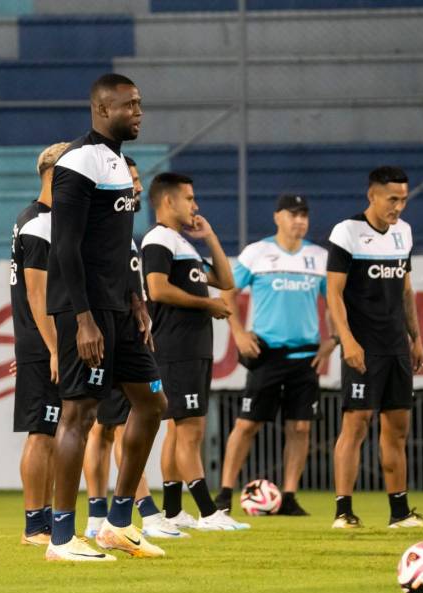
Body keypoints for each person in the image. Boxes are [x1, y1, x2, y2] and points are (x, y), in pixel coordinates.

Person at [45, 73, 166, 562]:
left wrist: (136, 297)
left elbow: (117, 245)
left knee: (153, 404)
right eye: (129, 105)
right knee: (79, 413)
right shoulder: (77, 163)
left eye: (139, 104)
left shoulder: (118, 162)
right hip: (86, 313)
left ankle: (117, 523)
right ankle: (60, 538)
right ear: (101, 109)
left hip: (120, 307)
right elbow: (66, 246)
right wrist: (83, 318)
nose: (138, 112)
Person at [81, 157, 186, 540]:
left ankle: (123, 514)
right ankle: (106, 515)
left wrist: (140, 308)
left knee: (134, 416)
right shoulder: (94, 228)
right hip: (103, 334)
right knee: (103, 426)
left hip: (129, 334)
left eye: (139, 180)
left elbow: (130, 283)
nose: (139, 187)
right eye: (133, 180)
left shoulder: (124, 233)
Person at [215, 193, 337, 517]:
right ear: (277, 217)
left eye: (304, 215)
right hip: (266, 353)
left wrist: (334, 339)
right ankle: (225, 493)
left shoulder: (319, 257)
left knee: (300, 428)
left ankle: (290, 495)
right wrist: (238, 332)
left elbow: (335, 304)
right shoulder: (258, 253)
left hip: (306, 356)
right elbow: (227, 291)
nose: (299, 220)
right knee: (247, 424)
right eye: (293, 214)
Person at [141, 172, 248, 530]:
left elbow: (226, 280)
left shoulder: (182, 245)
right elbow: (156, 290)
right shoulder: (158, 240)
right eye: (189, 198)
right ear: (168, 201)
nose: (196, 205)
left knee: (178, 430)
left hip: (192, 349)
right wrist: (207, 306)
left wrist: (211, 237)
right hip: (175, 348)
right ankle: (208, 511)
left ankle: (172, 511)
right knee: (190, 430)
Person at [326, 166, 423, 529]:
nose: (398, 206)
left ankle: (399, 513)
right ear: (372, 195)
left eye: (403, 199)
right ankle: (343, 511)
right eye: (392, 199)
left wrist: (415, 338)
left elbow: (405, 290)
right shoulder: (347, 232)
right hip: (363, 347)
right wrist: (348, 341)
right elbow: (334, 294)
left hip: (395, 347)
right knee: (356, 424)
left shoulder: (404, 233)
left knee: (398, 427)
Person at [10, 141, 68, 546]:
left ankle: (45, 520)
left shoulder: (42, 220)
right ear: (54, 173)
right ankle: (35, 524)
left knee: (52, 430)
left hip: (44, 342)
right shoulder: (38, 223)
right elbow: (36, 294)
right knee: (42, 432)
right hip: (46, 343)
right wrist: (50, 348)